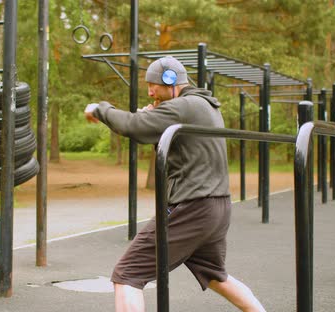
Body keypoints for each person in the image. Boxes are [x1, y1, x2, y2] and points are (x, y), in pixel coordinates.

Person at [84, 56, 266, 312]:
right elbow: (167, 145)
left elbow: (133, 126)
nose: (149, 91)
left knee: (127, 274)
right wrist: (152, 118)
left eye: (154, 84)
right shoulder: (204, 106)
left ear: (171, 82)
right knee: (215, 275)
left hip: (193, 206)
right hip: (217, 206)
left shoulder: (184, 106)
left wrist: (100, 109)